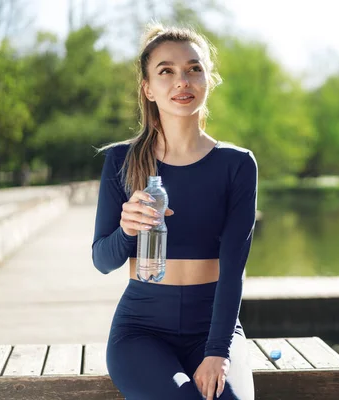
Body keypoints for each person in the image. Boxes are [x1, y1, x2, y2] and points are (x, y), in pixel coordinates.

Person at [91, 22, 257, 400]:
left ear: (208, 80)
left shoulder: (237, 164)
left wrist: (217, 351)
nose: (182, 80)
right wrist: (126, 230)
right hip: (141, 330)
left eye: (193, 68)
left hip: (213, 326)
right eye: (166, 71)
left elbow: (234, 268)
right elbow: (102, 261)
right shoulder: (122, 160)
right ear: (148, 88)